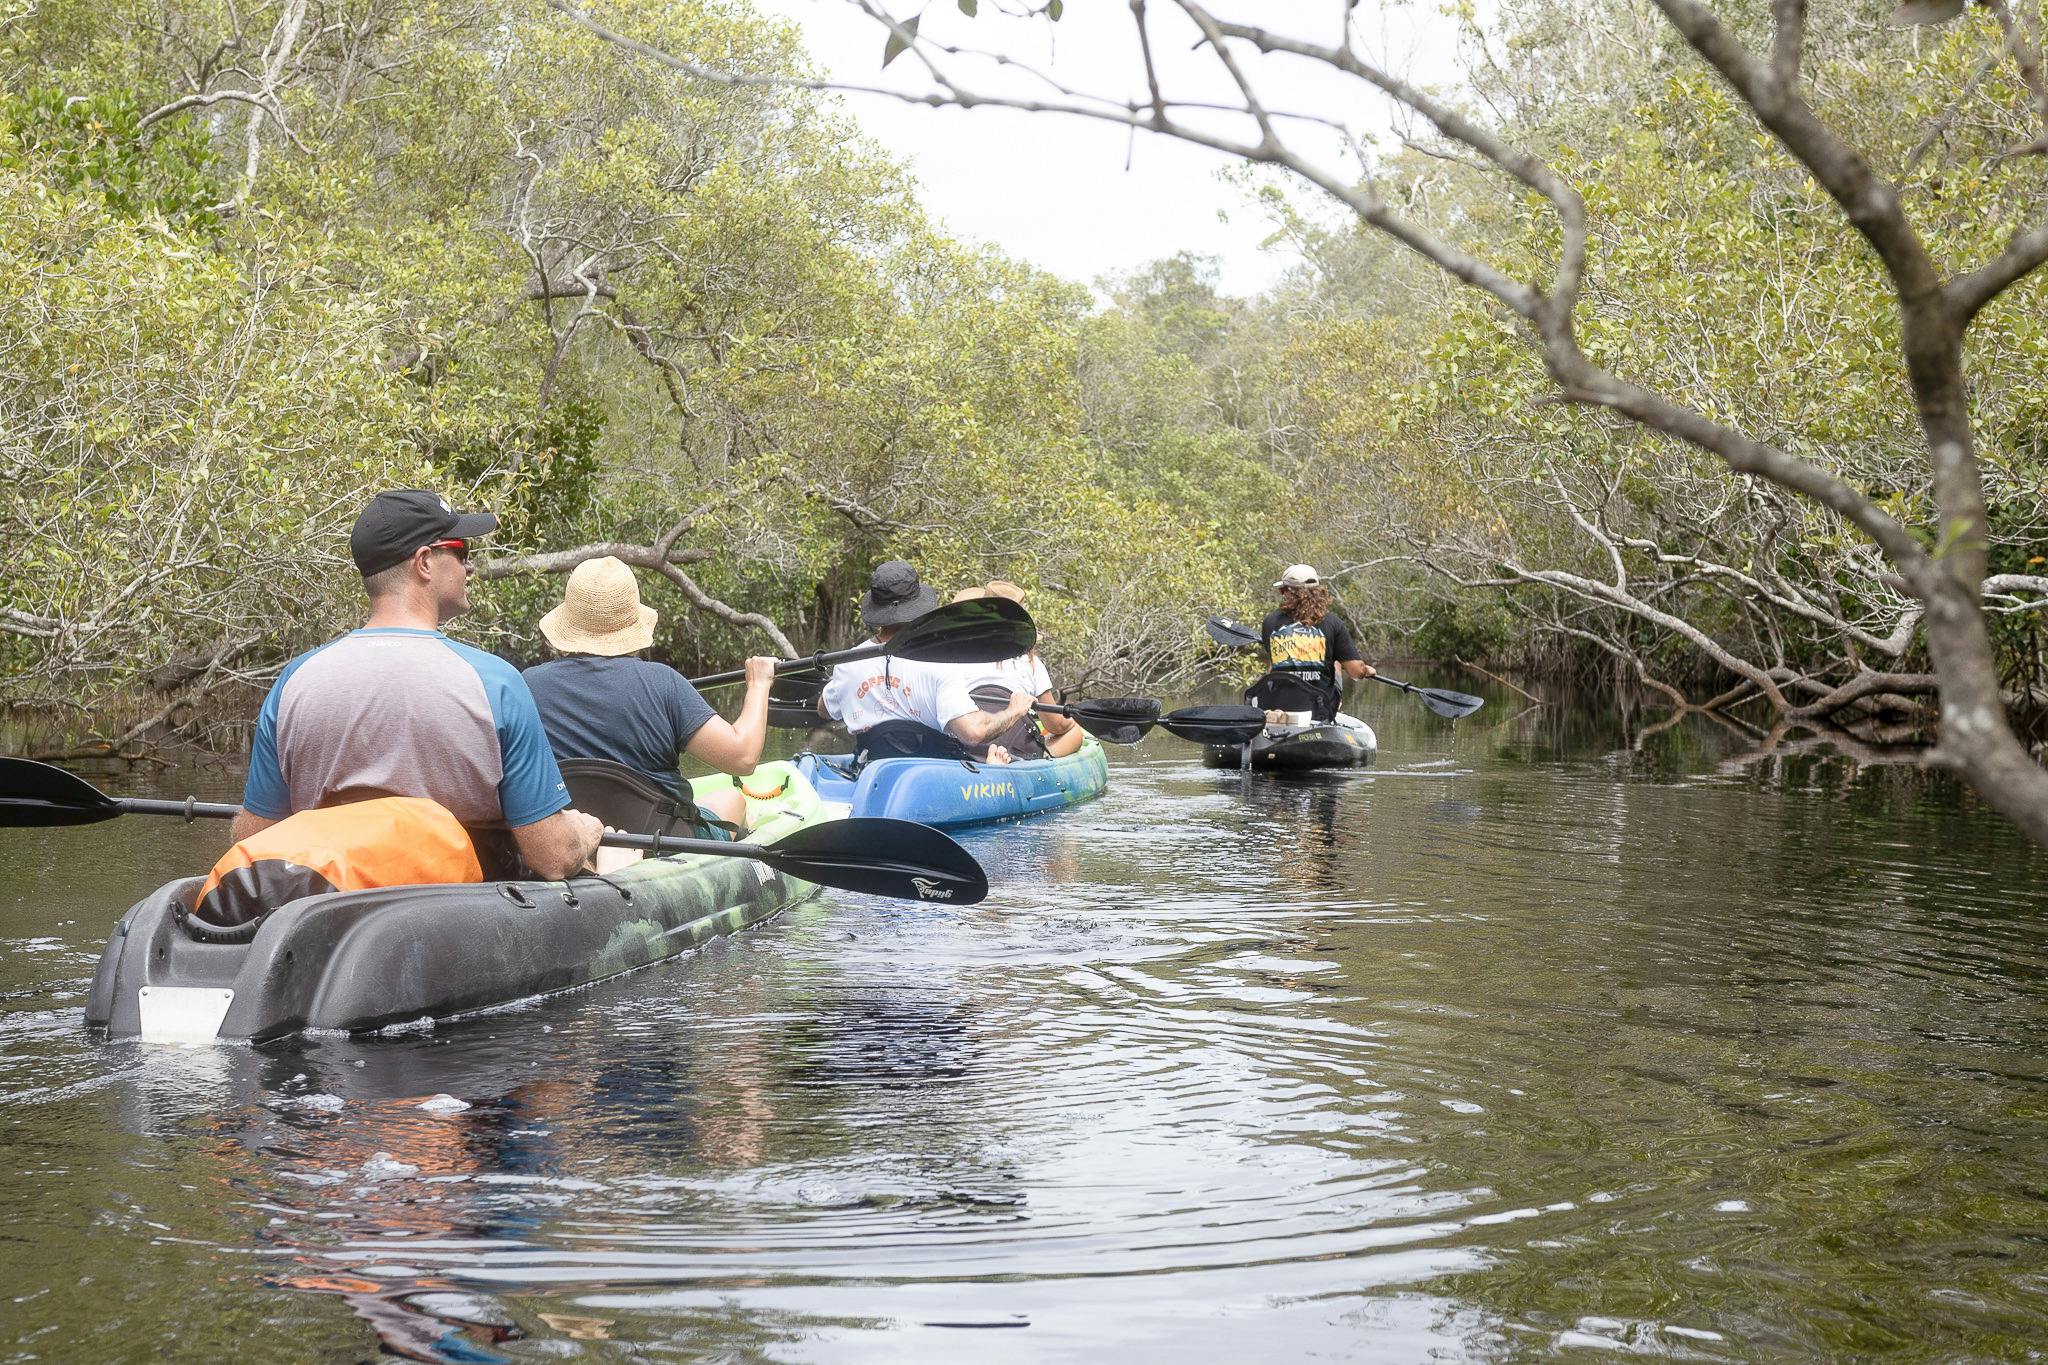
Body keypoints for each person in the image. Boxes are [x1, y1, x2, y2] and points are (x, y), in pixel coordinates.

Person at [230, 489, 602, 881]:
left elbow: (255, 838)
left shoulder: (294, 681)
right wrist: (581, 832)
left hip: (326, 918)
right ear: (424, 562)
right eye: (461, 551)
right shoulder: (496, 683)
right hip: (454, 918)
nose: (469, 567)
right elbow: (551, 856)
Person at [523, 556, 778, 833]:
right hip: (662, 844)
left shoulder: (527, 686)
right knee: (733, 799)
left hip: (572, 841)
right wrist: (758, 684)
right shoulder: (664, 683)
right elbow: (743, 758)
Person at [817, 560, 1036, 764]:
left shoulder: (847, 664)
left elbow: (824, 710)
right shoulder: (938, 663)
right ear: (917, 605)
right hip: (932, 773)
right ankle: (990, 770)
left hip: (871, 767)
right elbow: (973, 732)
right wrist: (1013, 711)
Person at [951, 581, 1083, 760]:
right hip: (1017, 749)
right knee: (1074, 731)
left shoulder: (951, 659)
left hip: (966, 747)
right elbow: (1055, 726)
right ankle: (1044, 758)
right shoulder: (1030, 663)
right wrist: (1072, 720)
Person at [1250, 564, 1376, 721]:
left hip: (1277, 706)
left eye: (1282, 590)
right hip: (1318, 710)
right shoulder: (1333, 623)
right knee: (1336, 663)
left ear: (1287, 592)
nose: (1281, 594)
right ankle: (1334, 711)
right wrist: (1366, 671)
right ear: (1318, 593)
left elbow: (1274, 664)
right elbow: (1356, 672)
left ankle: (1273, 717)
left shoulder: (1269, 622)